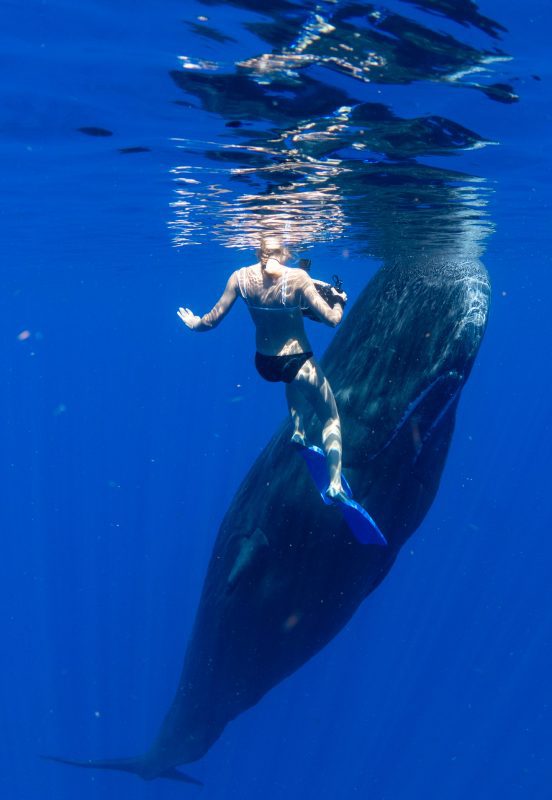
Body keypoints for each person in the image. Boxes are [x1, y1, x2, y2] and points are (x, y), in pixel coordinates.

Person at [177, 237, 348, 501]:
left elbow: (212, 321)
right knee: (330, 417)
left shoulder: (240, 277)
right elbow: (333, 321)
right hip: (297, 359)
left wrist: (194, 323)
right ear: (285, 252)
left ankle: (299, 432)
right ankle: (335, 484)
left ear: (258, 250)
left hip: (265, 363)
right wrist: (339, 300)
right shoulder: (298, 277)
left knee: (289, 379)